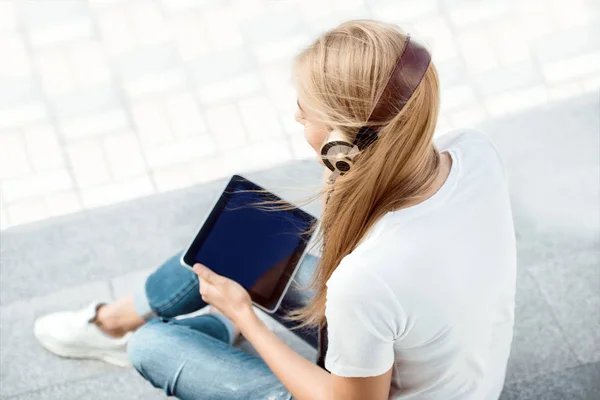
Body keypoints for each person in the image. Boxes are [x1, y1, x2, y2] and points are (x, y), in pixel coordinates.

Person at [34, 19, 517, 400]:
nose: (297, 116)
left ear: (343, 138)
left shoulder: (366, 281)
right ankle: (116, 320)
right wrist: (341, 167)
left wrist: (247, 317)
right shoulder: (472, 152)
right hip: (454, 366)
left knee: (152, 347)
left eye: (306, 111)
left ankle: (204, 324)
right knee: (237, 244)